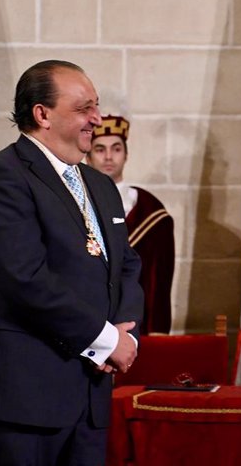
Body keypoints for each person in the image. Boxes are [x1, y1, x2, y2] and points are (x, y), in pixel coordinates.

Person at [0, 60, 144, 465]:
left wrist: (128, 334)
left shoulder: (101, 186)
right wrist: (108, 341)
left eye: (97, 105)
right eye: (84, 108)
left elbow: (127, 265)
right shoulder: (1, 176)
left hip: (90, 399)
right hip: (27, 400)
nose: (97, 118)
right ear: (42, 114)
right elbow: (25, 278)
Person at [87, 114, 175, 334]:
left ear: (126, 155)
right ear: (87, 156)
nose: (108, 157)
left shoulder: (151, 211)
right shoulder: (75, 202)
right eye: (99, 149)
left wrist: (158, 332)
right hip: (88, 320)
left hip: (137, 322)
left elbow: (159, 283)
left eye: (116, 149)